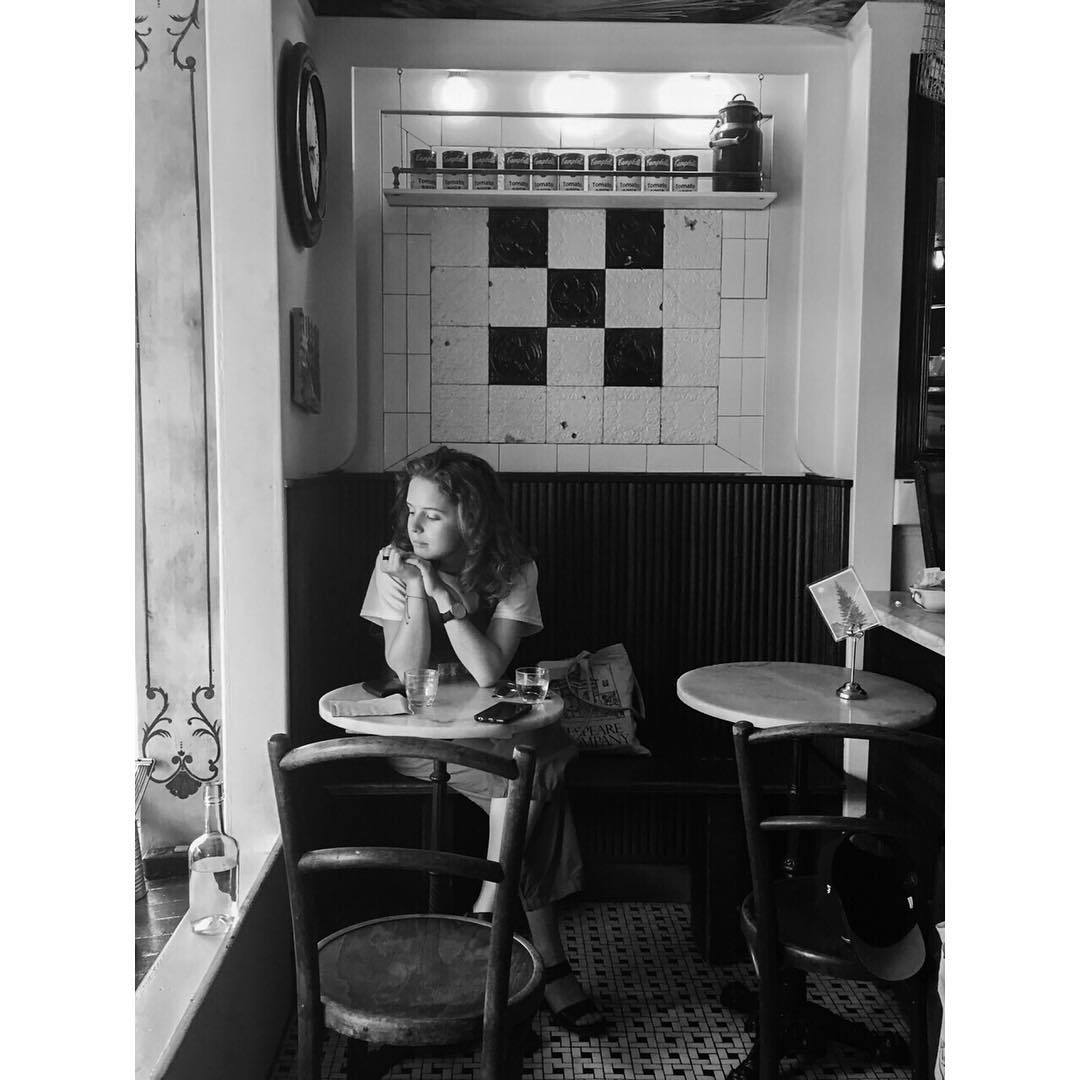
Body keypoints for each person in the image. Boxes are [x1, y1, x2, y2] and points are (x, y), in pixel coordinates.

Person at [359, 445, 607, 1037]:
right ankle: (544, 960)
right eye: (411, 511)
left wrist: (446, 597)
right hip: (420, 736)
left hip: (493, 729)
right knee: (536, 780)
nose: (414, 526)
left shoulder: (514, 571)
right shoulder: (394, 566)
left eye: (432, 515)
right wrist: (416, 589)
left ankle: (486, 916)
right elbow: (407, 670)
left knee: (533, 764)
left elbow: (491, 670)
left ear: (470, 518)